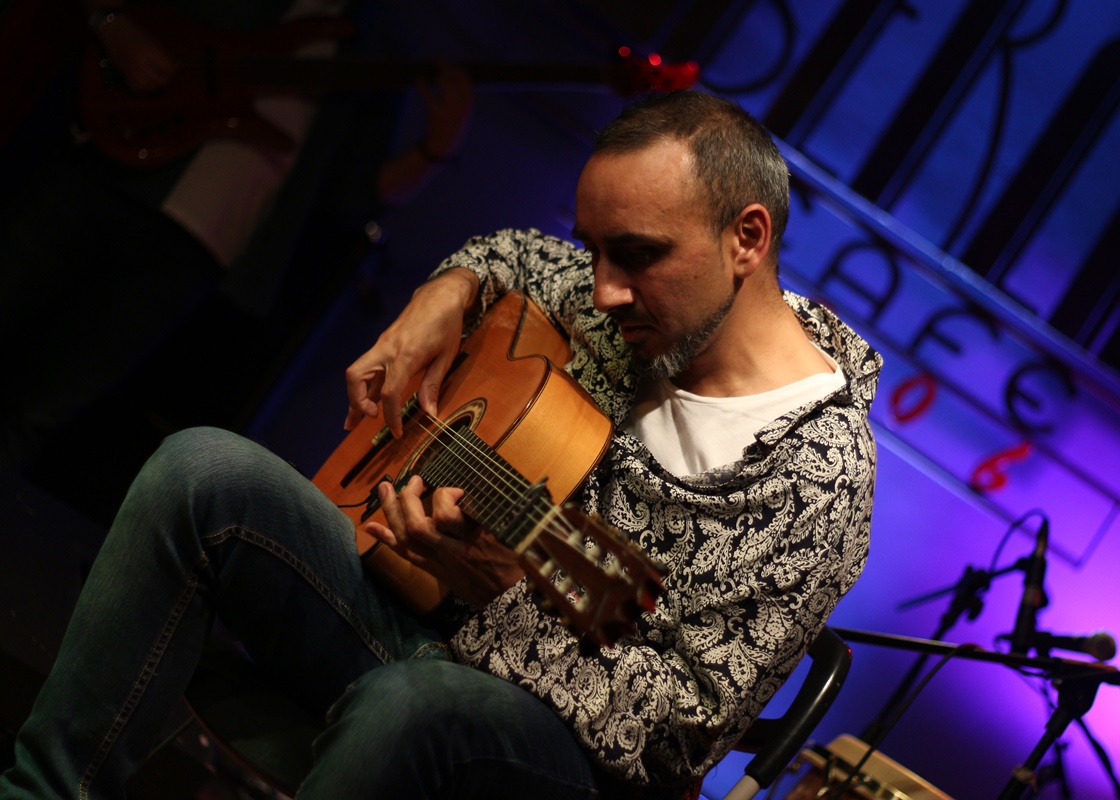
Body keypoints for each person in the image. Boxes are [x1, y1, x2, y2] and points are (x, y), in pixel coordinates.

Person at [0, 89, 881, 799]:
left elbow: (680, 733)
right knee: (200, 469)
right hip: (425, 639)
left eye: (638, 256)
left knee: (412, 705)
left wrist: (504, 595)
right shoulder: (628, 310)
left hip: (562, 756)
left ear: (747, 237)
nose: (603, 291)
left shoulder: (820, 473)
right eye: (594, 252)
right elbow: (514, 253)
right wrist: (447, 292)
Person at [0, 0, 473, 474]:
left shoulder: (379, 37)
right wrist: (111, 23)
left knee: (40, 411)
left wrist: (438, 147)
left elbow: (353, 194)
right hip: (106, 166)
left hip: (197, 248)